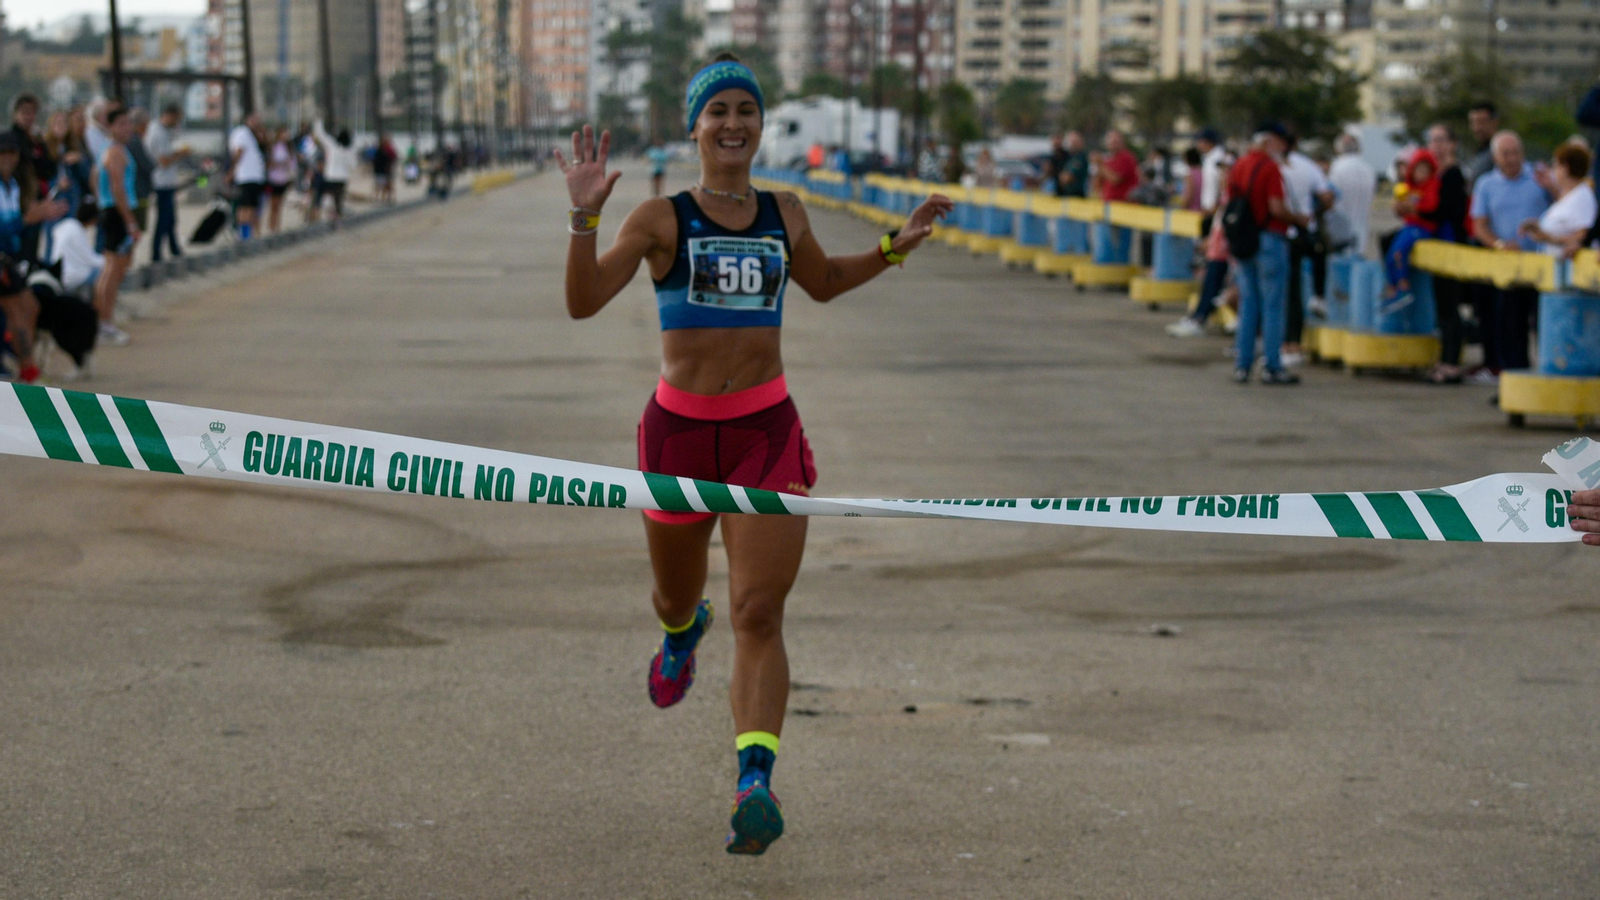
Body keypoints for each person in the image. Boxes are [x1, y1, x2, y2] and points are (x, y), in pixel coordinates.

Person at [556, 52, 952, 855]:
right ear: (695, 126)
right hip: (677, 440)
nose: (733, 123)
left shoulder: (785, 211)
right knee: (677, 596)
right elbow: (583, 301)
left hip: (765, 437)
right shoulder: (661, 218)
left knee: (760, 612)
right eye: (719, 111)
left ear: (760, 125)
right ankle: (680, 632)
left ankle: (754, 782)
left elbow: (824, 281)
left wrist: (894, 247)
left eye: (746, 110)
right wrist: (585, 219)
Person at [1228, 123, 1309, 385]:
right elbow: (1276, 207)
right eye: (1281, 143)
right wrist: (1297, 219)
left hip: (1243, 240)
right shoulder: (1270, 167)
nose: (1283, 148)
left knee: (1248, 304)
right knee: (1273, 306)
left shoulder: (1239, 165)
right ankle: (1272, 365)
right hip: (1270, 240)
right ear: (1269, 141)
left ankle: (1242, 365)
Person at [1469, 130, 1550, 377]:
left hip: (1541, 265)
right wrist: (1499, 244)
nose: (1512, 159)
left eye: (1516, 153)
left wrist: (1552, 186)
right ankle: (1514, 376)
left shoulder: (1538, 177)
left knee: (1543, 323)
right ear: (1495, 157)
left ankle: (1548, 372)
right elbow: (1479, 226)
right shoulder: (1486, 184)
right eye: (1506, 154)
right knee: (1510, 325)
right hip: (1509, 267)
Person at [0, 130, 65, 383]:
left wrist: (38, 215)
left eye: (11, 152)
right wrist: (27, 219)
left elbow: (15, 226)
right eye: (2, 152)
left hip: (8, 258)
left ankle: (23, 365)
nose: (7, 157)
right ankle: (27, 370)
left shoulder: (13, 185)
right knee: (19, 310)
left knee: (29, 307)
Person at [1279, 130, 1334, 364]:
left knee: (1283, 293)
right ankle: (1293, 344)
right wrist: (1312, 213)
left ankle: (1284, 345)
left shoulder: (1275, 166)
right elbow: (1328, 197)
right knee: (1295, 291)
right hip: (1303, 233)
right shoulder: (1308, 166)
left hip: (1280, 233)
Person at [1421, 125, 1470, 384]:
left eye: (1441, 140)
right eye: (1433, 141)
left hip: (1451, 245)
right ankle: (1445, 359)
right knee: (1443, 306)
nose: (1436, 146)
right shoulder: (1435, 173)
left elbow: (1449, 211)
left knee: (1450, 305)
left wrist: (1419, 210)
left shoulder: (1453, 174)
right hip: (1439, 245)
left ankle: (1451, 362)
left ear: (1453, 144)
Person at [1168, 153, 1236, 338]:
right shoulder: (1225, 194)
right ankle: (1198, 317)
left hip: (1224, 250)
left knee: (1214, 284)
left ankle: (1200, 319)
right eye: (1222, 171)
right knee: (1210, 284)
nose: (1223, 175)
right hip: (1217, 247)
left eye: (1227, 171)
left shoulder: (1234, 194)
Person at [94, 107, 140, 348]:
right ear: (111, 127)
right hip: (117, 212)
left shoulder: (113, 149)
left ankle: (104, 319)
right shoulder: (114, 152)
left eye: (128, 123)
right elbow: (117, 187)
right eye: (121, 124)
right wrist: (130, 221)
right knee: (112, 268)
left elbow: (94, 179)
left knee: (116, 267)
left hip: (113, 210)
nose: (127, 128)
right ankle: (104, 322)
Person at [1383, 148, 1441, 307]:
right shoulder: (1409, 187)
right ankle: (1392, 287)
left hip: (1422, 228)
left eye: (1424, 170)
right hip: (1410, 226)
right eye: (1418, 169)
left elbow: (1431, 207)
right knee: (1391, 254)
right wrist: (1401, 206)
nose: (1421, 174)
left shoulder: (1431, 186)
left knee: (1399, 252)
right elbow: (1402, 209)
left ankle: (1403, 287)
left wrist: (1412, 207)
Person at [1519, 143, 1596, 256]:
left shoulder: (1582, 197)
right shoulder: (1568, 195)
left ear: (1565, 168)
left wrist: (1548, 238)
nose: (1553, 170)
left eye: (1555, 165)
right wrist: (1539, 227)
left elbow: (1583, 237)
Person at [145, 104, 189, 263]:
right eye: (177, 119)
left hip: (167, 181)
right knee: (164, 219)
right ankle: (156, 254)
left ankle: (174, 249)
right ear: (170, 115)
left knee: (170, 219)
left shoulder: (163, 130)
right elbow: (163, 161)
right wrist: (180, 154)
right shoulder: (158, 132)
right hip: (161, 182)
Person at [1327, 133, 1376, 256]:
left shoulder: (1336, 167)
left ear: (1338, 148)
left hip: (1340, 235)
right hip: (1361, 235)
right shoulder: (1368, 169)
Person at [48, 199, 104, 298]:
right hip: (71, 277)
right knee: (103, 271)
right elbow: (89, 259)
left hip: (58, 273)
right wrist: (110, 261)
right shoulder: (77, 231)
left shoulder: (66, 225)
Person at [226, 111, 266, 239]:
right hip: (247, 176)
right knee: (245, 207)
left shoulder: (252, 135)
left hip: (255, 177)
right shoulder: (242, 133)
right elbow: (238, 153)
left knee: (252, 207)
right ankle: (243, 234)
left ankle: (249, 233)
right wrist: (231, 171)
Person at [311, 120, 357, 223]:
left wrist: (318, 122)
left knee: (321, 195)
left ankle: (318, 215)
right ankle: (337, 219)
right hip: (342, 178)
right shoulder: (349, 151)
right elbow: (354, 165)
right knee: (338, 200)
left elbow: (321, 135)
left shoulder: (333, 146)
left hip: (331, 177)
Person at [127, 109, 155, 238]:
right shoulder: (134, 141)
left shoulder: (134, 140)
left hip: (137, 191)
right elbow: (147, 165)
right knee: (135, 231)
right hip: (138, 192)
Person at [1462, 102, 1500, 186]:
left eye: (1482, 122)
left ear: (1495, 122)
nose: (1477, 128)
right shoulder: (1478, 151)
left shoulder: (1502, 152)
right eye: (1473, 123)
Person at [265, 127, 295, 233]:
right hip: (273, 179)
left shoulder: (289, 148)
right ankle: (271, 226)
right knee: (273, 204)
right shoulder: (273, 147)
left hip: (283, 179)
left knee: (279, 205)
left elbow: (292, 164)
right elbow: (269, 163)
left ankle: (277, 226)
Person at [1097, 129, 1139, 201]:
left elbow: (1116, 179)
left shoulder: (1126, 157)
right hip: (1109, 202)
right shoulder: (1108, 159)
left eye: (1115, 141)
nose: (1113, 143)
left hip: (1123, 202)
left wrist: (1100, 165)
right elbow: (1099, 182)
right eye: (1111, 141)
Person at [1196, 127, 1227, 218]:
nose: (1198, 145)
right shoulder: (1208, 157)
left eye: (1200, 141)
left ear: (1208, 142)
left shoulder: (1218, 157)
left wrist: (1216, 204)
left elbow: (1223, 182)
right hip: (1208, 207)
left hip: (1215, 209)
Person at [373, 133, 397, 204]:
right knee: (382, 185)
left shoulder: (385, 150)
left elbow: (393, 158)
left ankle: (384, 198)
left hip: (385, 170)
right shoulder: (383, 150)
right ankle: (382, 198)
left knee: (384, 185)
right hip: (383, 170)